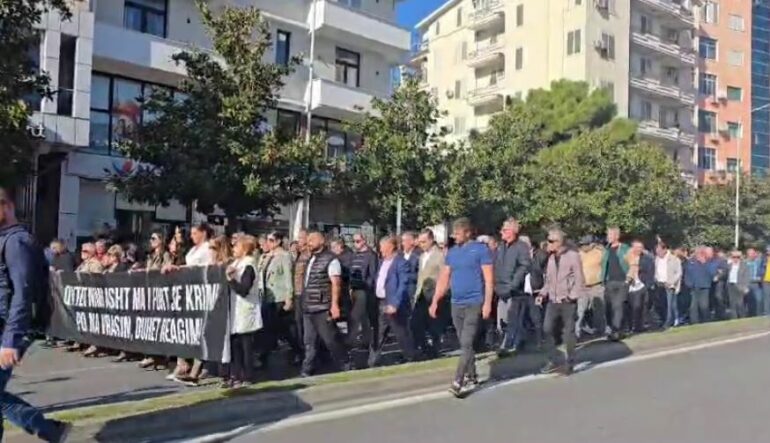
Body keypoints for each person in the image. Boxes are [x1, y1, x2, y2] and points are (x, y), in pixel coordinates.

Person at [0, 186, 71, 442]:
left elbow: (23, 293)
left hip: (11, 327)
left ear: (6, 207)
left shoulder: (17, 242)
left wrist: (10, 341)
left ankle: (49, 429)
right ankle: (50, 430)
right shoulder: (5, 239)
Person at [430, 218, 493, 397]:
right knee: (465, 343)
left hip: (474, 302)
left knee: (466, 342)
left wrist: (487, 303)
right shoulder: (452, 253)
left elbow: (489, 279)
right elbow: (444, 277)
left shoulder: (481, 250)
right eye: (454, 233)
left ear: (467, 233)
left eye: (457, 233)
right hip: (456, 302)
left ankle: (459, 380)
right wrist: (435, 300)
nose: (454, 236)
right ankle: (472, 375)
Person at [167, 223, 215, 386]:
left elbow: (207, 268)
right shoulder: (193, 249)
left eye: (195, 233)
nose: (192, 236)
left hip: (200, 291)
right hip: (189, 291)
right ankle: (183, 364)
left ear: (204, 233)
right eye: (192, 233)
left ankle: (197, 368)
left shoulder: (208, 247)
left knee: (198, 330)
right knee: (186, 328)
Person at [299, 231, 349, 377]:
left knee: (330, 339)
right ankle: (307, 369)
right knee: (309, 341)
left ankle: (345, 363)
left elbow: (336, 283)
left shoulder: (331, 260)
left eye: (312, 240)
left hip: (322, 306)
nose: (308, 242)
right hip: (309, 306)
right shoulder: (311, 259)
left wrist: (334, 305)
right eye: (307, 240)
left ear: (321, 241)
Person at [538, 227, 584, 376]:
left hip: (567, 300)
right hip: (553, 299)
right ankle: (554, 359)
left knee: (568, 333)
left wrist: (572, 296)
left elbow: (579, 278)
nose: (548, 243)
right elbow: (549, 280)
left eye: (551, 241)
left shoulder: (572, 256)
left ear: (559, 242)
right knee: (547, 328)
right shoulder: (551, 258)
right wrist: (542, 293)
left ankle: (570, 362)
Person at [369, 236, 417, 367]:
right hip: (381, 302)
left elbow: (403, 284)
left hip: (394, 302)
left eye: (382, 247)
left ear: (390, 246)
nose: (380, 250)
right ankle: (372, 360)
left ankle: (410, 357)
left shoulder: (400, 262)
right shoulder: (382, 262)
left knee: (400, 332)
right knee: (379, 332)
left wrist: (395, 303)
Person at [224, 235, 262, 388]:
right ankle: (235, 375)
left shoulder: (249, 265)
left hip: (245, 310)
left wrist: (230, 279)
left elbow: (244, 289)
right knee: (235, 345)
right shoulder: (236, 263)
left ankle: (248, 376)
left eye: (236, 246)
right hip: (235, 310)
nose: (233, 249)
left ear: (245, 248)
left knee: (245, 346)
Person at [260, 232, 301, 366]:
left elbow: (288, 278)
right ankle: (265, 355)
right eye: (268, 240)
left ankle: (297, 351)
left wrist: (289, 298)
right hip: (267, 296)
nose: (269, 243)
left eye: (271, 240)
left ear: (278, 241)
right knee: (268, 328)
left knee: (284, 328)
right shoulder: (266, 256)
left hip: (279, 296)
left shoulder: (285, 256)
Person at [493, 218, 532, 355]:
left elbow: (524, 266)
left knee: (513, 319)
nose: (501, 232)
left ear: (512, 231)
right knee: (501, 321)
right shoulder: (501, 247)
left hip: (515, 291)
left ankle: (511, 345)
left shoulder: (521, 247)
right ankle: (513, 342)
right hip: (500, 288)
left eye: (504, 230)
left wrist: (514, 284)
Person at [411, 229, 445, 358]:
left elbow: (444, 275)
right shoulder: (422, 256)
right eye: (420, 242)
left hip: (433, 294)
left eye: (424, 242)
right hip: (421, 295)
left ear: (431, 240)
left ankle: (434, 351)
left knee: (433, 325)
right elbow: (421, 276)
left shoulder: (440, 255)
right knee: (415, 324)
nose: (421, 244)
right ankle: (425, 348)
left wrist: (440, 294)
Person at [347, 233, 379, 351]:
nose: (356, 244)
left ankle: (350, 340)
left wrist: (367, 286)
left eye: (358, 241)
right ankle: (366, 340)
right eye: (354, 241)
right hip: (354, 288)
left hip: (363, 289)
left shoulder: (371, 255)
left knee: (355, 315)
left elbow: (373, 273)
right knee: (363, 316)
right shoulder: (354, 255)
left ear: (364, 241)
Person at [601, 226, 630, 341]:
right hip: (609, 282)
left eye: (610, 235)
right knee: (609, 308)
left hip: (622, 281)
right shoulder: (606, 249)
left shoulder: (625, 248)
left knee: (618, 307)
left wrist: (629, 279)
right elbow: (603, 266)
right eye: (607, 234)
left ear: (616, 236)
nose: (608, 237)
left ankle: (616, 331)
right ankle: (617, 329)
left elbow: (632, 263)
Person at [577, 235, 606, 338]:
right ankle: (576, 334)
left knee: (599, 310)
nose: (582, 247)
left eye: (585, 245)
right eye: (581, 245)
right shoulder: (579, 254)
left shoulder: (600, 253)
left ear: (591, 245)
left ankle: (601, 331)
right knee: (580, 311)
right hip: (583, 287)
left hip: (597, 285)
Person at [626, 240, 654, 333]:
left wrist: (647, 285)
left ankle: (639, 326)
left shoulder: (647, 258)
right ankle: (631, 326)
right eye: (636, 247)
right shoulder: (627, 257)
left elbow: (650, 272)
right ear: (632, 247)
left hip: (641, 285)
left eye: (640, 247)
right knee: (632, 307)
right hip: (629, 286)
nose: (639, 249)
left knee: (641, 307)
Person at [654, 242, 683, 328]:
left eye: (659, 250)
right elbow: (656, 271)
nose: (657, 252)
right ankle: (668, 319)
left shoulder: (674, 259)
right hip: (660, 284)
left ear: (665, 249)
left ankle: (669, 321)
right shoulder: (657, 259)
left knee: (670, 304)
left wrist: (672, 282)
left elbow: (679, 273)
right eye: (657, 251)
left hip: (670, 285)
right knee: (663, 304)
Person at [685, 247, 716, 324]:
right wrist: (688, 284)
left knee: (704, 306)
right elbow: (687, 274)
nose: (699, 255)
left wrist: (704, 263)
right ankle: (694, 323)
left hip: (704, 287)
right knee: (693, 307)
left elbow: (712, 273)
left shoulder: (708, 262)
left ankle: (706, 321)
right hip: (694, 288)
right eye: (697, 253)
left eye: (701, 253)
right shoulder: (691, 262)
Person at [726, 250, 750, 319]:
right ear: (731, 257)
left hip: (740, 286)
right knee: (732, 303)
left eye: (738, 257)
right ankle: (734, 318)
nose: (736, 258)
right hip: (731, 285)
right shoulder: (729, 265)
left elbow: (747, 277)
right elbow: (725, 274)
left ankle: (742, 317)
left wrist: (745, 287)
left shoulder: (744, 265)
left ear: (740, 257)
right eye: (734, 257)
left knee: (740, 303)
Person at [745, 248, 764, 316]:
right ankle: (751, 315)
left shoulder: (759, 261)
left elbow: (762, 270)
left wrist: (761, 276)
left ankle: (759, 315)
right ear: (747, 255)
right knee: (750, 301)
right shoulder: (745, 262)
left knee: (759, 300)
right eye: (750, 254)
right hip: (748, 283)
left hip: (757, 284)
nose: (752, 255)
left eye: (753, 253)